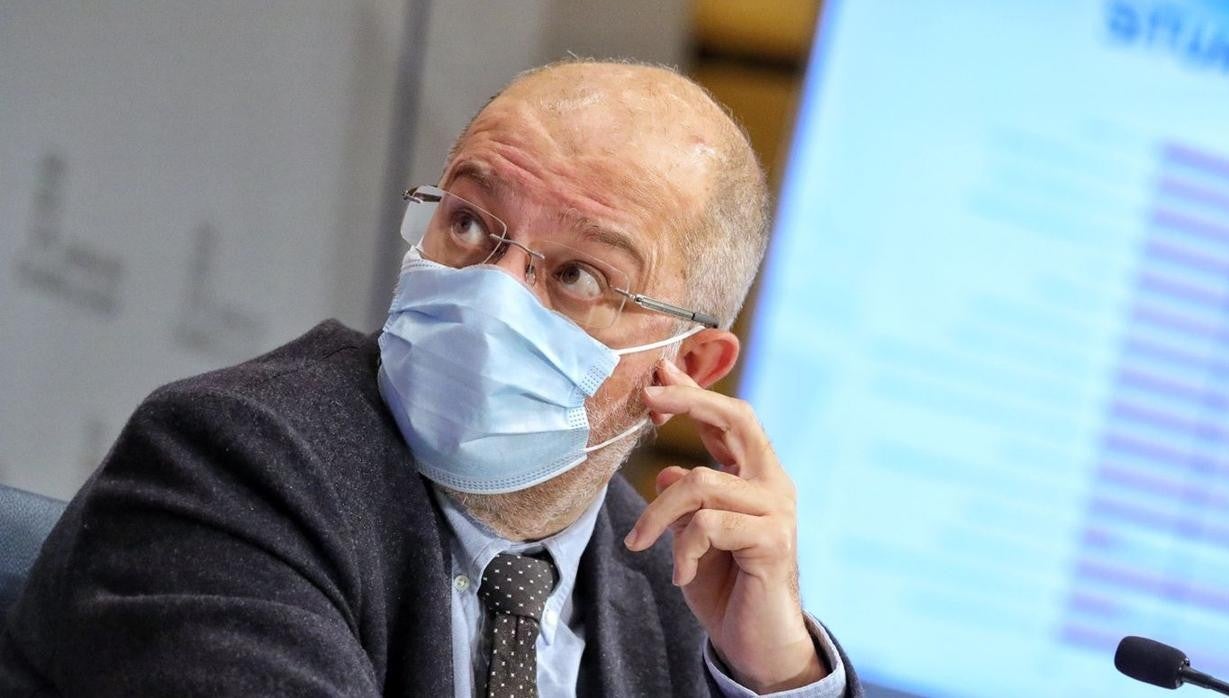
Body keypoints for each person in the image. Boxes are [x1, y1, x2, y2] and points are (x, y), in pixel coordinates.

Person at [0, 59, 862, 697]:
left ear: (689, 366)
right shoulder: (230, 464)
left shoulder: (677, 593)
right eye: (469, 223)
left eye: (578, 276)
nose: (492, 295)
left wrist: (778, 677)